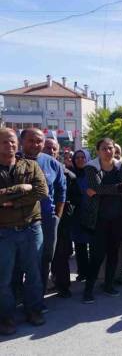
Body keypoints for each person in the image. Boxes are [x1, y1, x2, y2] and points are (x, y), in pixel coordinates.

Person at [0, 128, 49, 335]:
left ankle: (34, 310)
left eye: (12, 142)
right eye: (4, 142)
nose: (10, 146)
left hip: (31, 228)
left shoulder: (31, 165)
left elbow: (41, 191)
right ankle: (6, 317)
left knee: (34, 274)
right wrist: (21, 189)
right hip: (4, 232)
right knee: (4, 278)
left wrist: (9, 200)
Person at [82, 138, 122, 303]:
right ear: (98, 151)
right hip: (99, 219)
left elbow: (97, 190)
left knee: (113, 254)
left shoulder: (120, 166)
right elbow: (94, 187)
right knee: (96, 255)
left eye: (110, 148)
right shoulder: (91, 167)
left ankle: (108, 285)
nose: (108, 151)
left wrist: (100, 190)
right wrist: (120, 187)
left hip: (118, 218)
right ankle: (88, 289)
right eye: (104, 148)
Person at [20, 129, 66, 300]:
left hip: (47, 220)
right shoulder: (12, 161)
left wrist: (57, 217)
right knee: (19, 260)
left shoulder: (52, 163)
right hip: (19, 220)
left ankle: (37, 299)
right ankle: (18, 297)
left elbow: (62, 191)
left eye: (39, 141)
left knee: (45, 258)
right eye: (31, 140)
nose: (35, 144)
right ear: (21, 141)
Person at [49, 142, 78, 299]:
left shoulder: (67, 174)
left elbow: (75, 197)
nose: (51, 150)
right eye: (48, 147)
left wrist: (67, 209)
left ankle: (63, 286)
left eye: (54, 148)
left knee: (61, 255)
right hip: (35, 220)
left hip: (61, 221)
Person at [69, 150, 92, 283]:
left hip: (92, 213)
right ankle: (82, 272)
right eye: (77, 157)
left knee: (93, 244)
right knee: (80, 245)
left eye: (83, 157)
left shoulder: (93, 173)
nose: (80, 159)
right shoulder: (71, 174)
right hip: (77, 214)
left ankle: (92, 272)